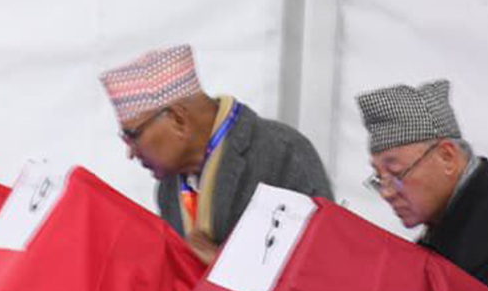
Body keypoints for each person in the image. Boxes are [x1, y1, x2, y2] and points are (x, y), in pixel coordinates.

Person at [100, 45, 331, 264]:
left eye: (133, 135)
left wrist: (219, 263)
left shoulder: (283, 153)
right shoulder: (168, 191)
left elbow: (321, 268)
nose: (130, 152)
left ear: (178, 120)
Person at [355, 79, 488, 289]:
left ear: (447, 157)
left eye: (396, 173)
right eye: (379, 178)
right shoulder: (454, 221)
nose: (386, 193)